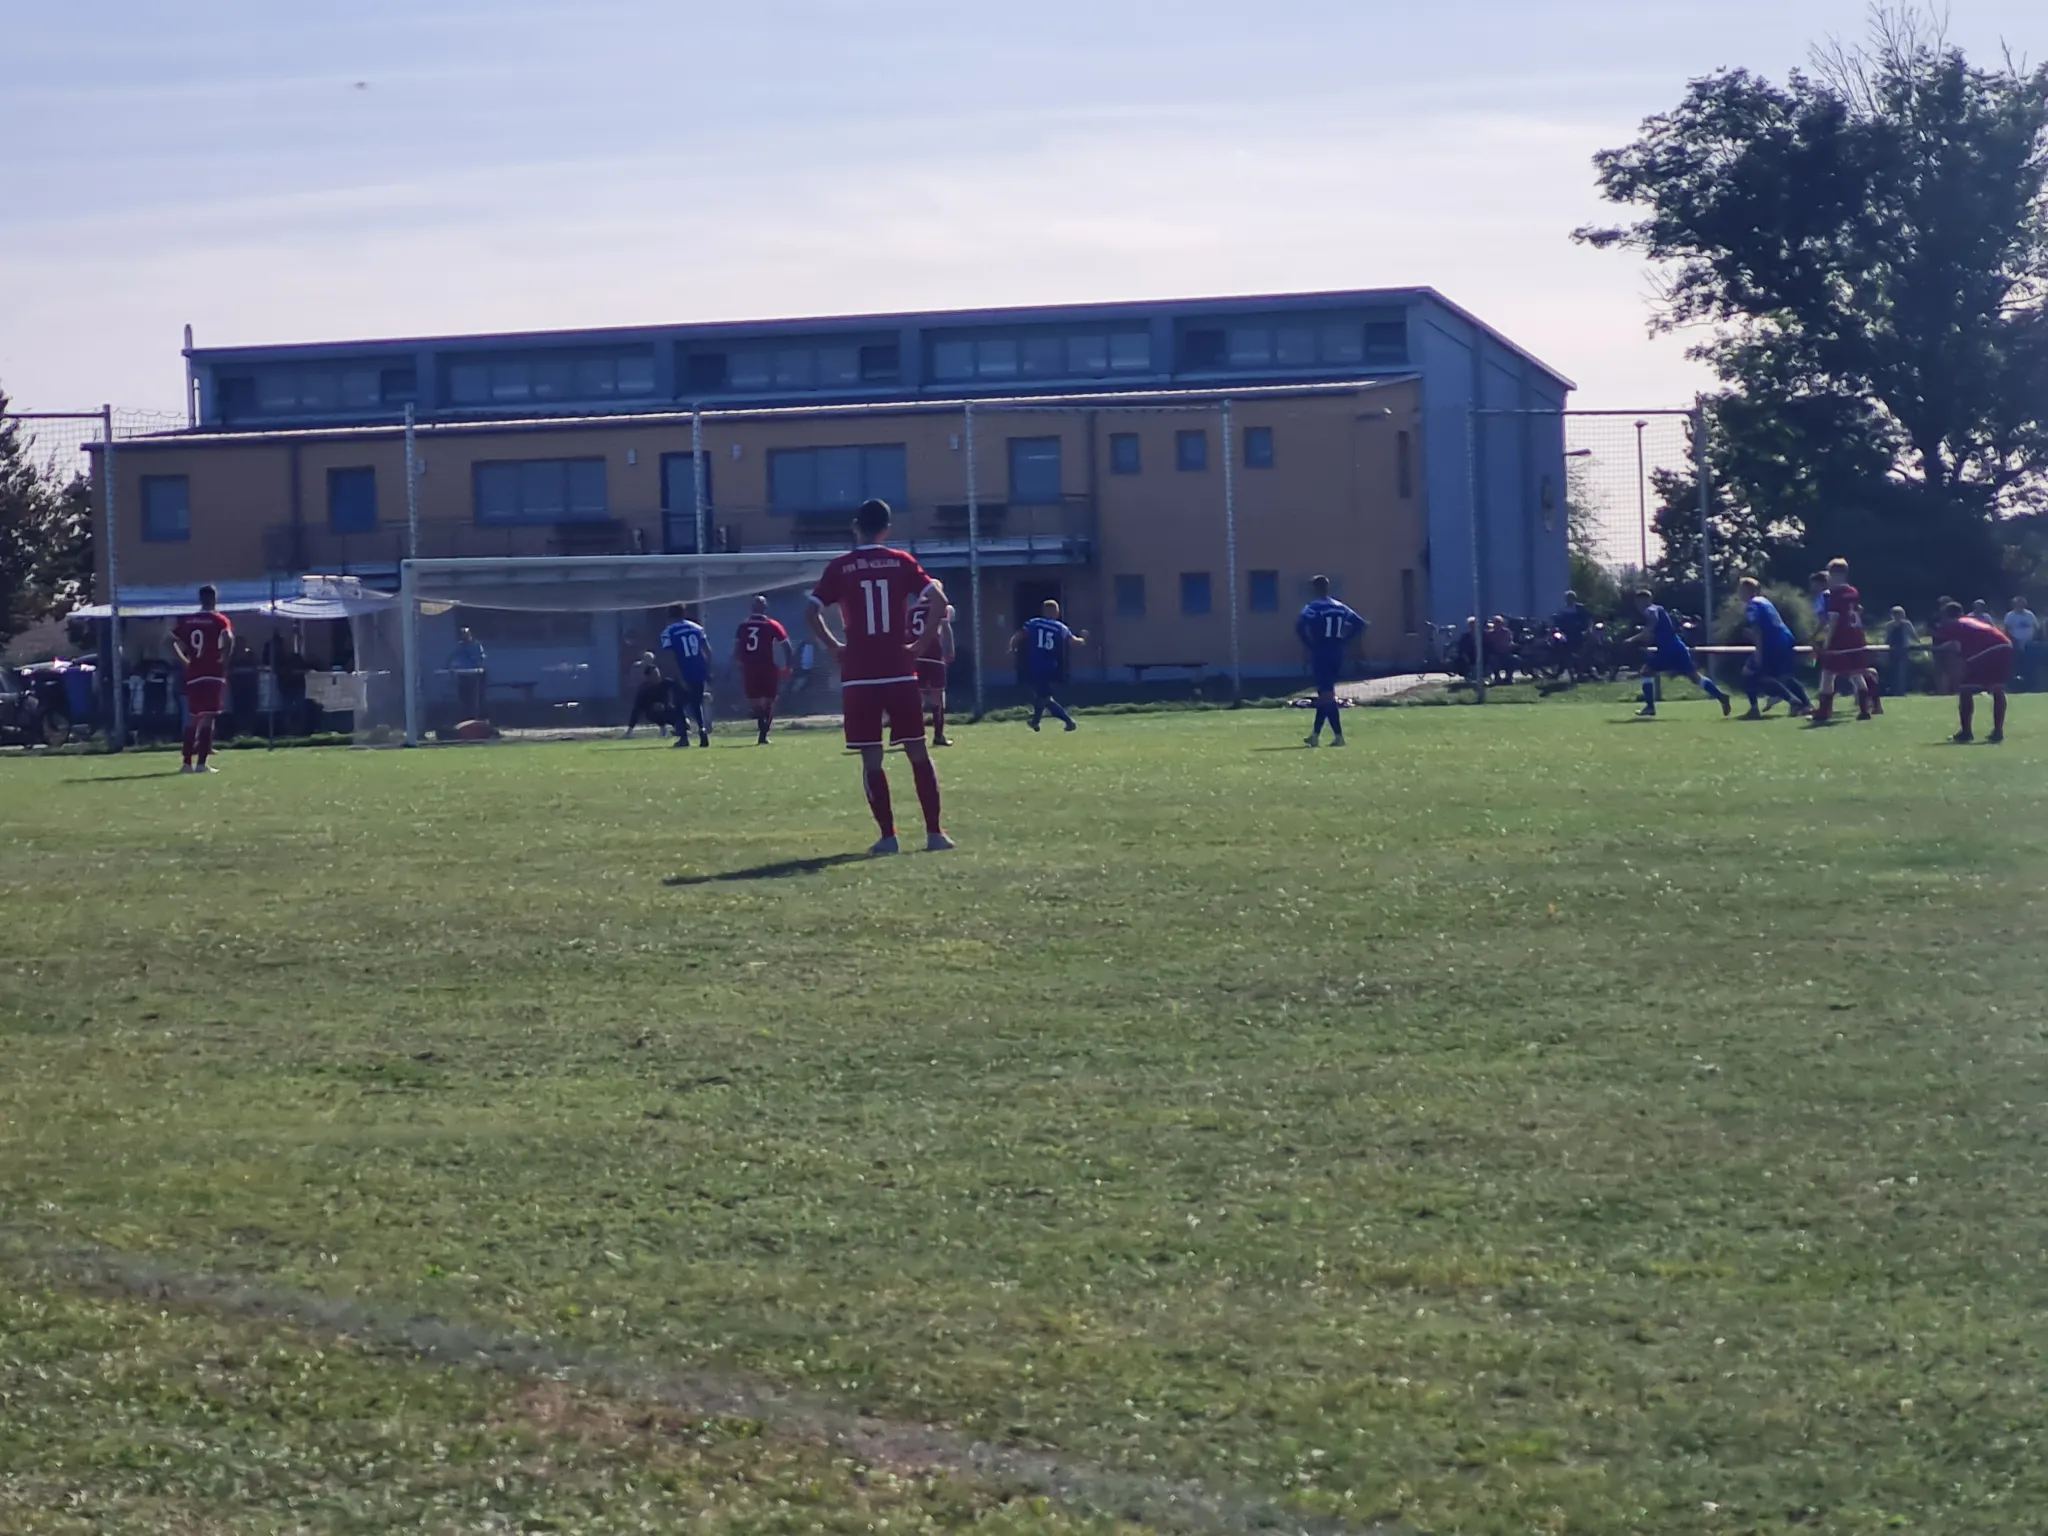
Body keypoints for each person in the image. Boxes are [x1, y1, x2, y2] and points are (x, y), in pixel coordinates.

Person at [807, 498, 951, 853]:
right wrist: (920, 643)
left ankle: (888, 838)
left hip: (860, 674)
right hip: (899, 669)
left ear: (856, 527)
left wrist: (834, 645)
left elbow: (811, 611)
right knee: (917, 750)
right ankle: (935, 834)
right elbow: (938, 600)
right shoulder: (901, 561)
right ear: (886, 529)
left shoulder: (841, 567)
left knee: (872, 757)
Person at [1626, 589, 1731, 717]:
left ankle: (1650, 707)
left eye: (1638, 602)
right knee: (1695, 677)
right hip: (1678, 647)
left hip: (1668, 649)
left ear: (1645, 600)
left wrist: (1633, 639)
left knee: (1647, 671)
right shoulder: (1659, 609)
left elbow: (1652, 621)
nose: (1637, 605)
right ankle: (1721, 697)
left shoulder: (1651, 609)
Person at [1295, 574, 1367, 747]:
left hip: (1321, 652)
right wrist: (1345, 640)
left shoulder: (1313, 607)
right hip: (1337, 652)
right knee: (1325, 694)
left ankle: (1339, 736)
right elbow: (1360, 623)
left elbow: (1299, 626)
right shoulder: (1340, 607)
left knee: (1327, 695)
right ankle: (1315, 735)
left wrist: (1310, 644)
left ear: (1315, 589)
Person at [170, 584, 233, 772]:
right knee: (208, 716)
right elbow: (229, 638)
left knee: (193, 717)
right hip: (212, 672)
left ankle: (186, 763)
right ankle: (201, 763)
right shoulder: (219, 619)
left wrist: (185, 660)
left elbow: (169, 640)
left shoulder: (188, 620)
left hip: (194, 673)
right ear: (214, 598)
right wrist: (224, 659)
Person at [1931, 600, 2014, 743]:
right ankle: (1998, 731)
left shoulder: (1952, 624)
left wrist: (1929, 649)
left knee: (1965, 688)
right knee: (1997, 688)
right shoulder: (1971, 621)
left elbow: (1950, 645)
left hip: (1985, 650)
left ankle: (1966, 732)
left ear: (1947, 615)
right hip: (2005, 646)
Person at [1811, 559, 1881, 723]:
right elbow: (1857, 611)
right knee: (1856, 673)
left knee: (1827, 674)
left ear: (1836, 575)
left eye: (1830, 575)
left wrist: (1827, 642)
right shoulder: (1853, 591)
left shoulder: (1835, 595)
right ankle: (1864, 710)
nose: (1828, 579)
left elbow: (1834, 619)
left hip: (1841, 639)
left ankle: (1823, 711)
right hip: (1856, 638)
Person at [1734, 576, 1810, 719]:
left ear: (1746, 590)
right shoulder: (1764, 601)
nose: (1739, 593)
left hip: (1772, 643)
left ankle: (1788, 702)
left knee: (1753, 674)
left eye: (1740, 589)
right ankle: (1806, 704)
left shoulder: (1752, 605)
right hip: (1785, 639)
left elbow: (1758, 630)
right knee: (1784, 676)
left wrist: (1759, 653)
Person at [1011, 599, 1086, 732]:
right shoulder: (1060, 627)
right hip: (1051, 666)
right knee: (1041, 695)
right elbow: (1073, 641)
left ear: (1044, 611)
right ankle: (1035, 722)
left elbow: (1019, 635)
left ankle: (1069, 722)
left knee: (1045, 698)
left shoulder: (1034, 622)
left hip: (1037, 665)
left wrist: (1013, 647)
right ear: (1055, 612)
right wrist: (1082, 639)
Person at [735, 595, 792, 744]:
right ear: (765, 608)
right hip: (767, 666)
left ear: (751, 608)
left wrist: (738, 662)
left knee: (754, 700)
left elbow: (737, 648)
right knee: (770, 700)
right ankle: (764, 733)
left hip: (749, 667)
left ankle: (760, 723)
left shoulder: (743, 626)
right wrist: (788, 665)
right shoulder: (772, 624)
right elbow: (787, 646)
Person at [909, 587, 957, 746]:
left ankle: (915, 736)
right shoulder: (938, 608)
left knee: (918, 699)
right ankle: (938, 736)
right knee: (938, 697)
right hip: (933, 655)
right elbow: (945, 628)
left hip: (916, 656)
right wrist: (950, 650)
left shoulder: (912, 610)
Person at [661, 604, 712, 748]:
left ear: (669, 616)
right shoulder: (697, 628)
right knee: (696, 703)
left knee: (678, 705)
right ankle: (702, 730)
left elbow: (670, 656)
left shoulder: (668, 632)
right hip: (698, 671)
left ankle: (684, 737)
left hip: (683, 671)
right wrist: (707, 670)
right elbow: (707, 651)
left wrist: (678, 675)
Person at [623, 653, 672, 738]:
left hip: (666, 709)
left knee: (674, 710)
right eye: (655, 674)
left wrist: (665, 705)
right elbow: (638, 708)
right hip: (650, 708)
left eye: (657, 673)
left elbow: (671, 698)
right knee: (643, 711)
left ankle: (682, 728)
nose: (657, 676)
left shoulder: (665, 683)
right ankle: (629, 732)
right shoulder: (637, 670)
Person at [447, 628, 488, 722]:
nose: (465, 637)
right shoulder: (460, 646)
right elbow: (452, 657)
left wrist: (480, 665)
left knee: (475, 698)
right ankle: (465, 718)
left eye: (467, 634)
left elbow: (482, 658)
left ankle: (477, 717)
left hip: (474, 676)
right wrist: (449, 667)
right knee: (464, 698)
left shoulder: (476, 645)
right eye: (463, 635)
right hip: (463, 675)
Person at [2002, 596, 2038, 691]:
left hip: (2029, 646)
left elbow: (2036, 628)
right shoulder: (2010, 616)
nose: (2019, 605)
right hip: (2015, 645)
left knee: (2029, 666)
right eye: (2017, 603)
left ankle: (2030, 685)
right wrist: (2013, 641)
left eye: (2021, 603)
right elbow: (2006, 631)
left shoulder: (2030, 615)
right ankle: (2015, 686)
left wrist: (2033, 640)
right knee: (2016, 666)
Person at [1553, 590, 1593, 665]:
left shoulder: (1579, 608)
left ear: (1574, 598)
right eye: (1568, 598)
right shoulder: (1563, 608)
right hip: (1564, 631)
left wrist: (1587, 628)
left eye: (1571, 598)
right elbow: (1558, 619)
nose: (1569, 600)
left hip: (1576, 631)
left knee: (1577, 645)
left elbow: (1587, 618)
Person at [1884, 607, 1916, 698]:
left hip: (1903, 649)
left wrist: (1919, 643)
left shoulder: (1906, 624)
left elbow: (1913, 635)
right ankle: (1893, 689)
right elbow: (1887, 638)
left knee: (1902, 671)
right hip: (1892, 649)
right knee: (1893, 670)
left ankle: (1901, 691)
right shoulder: (1889, 625)